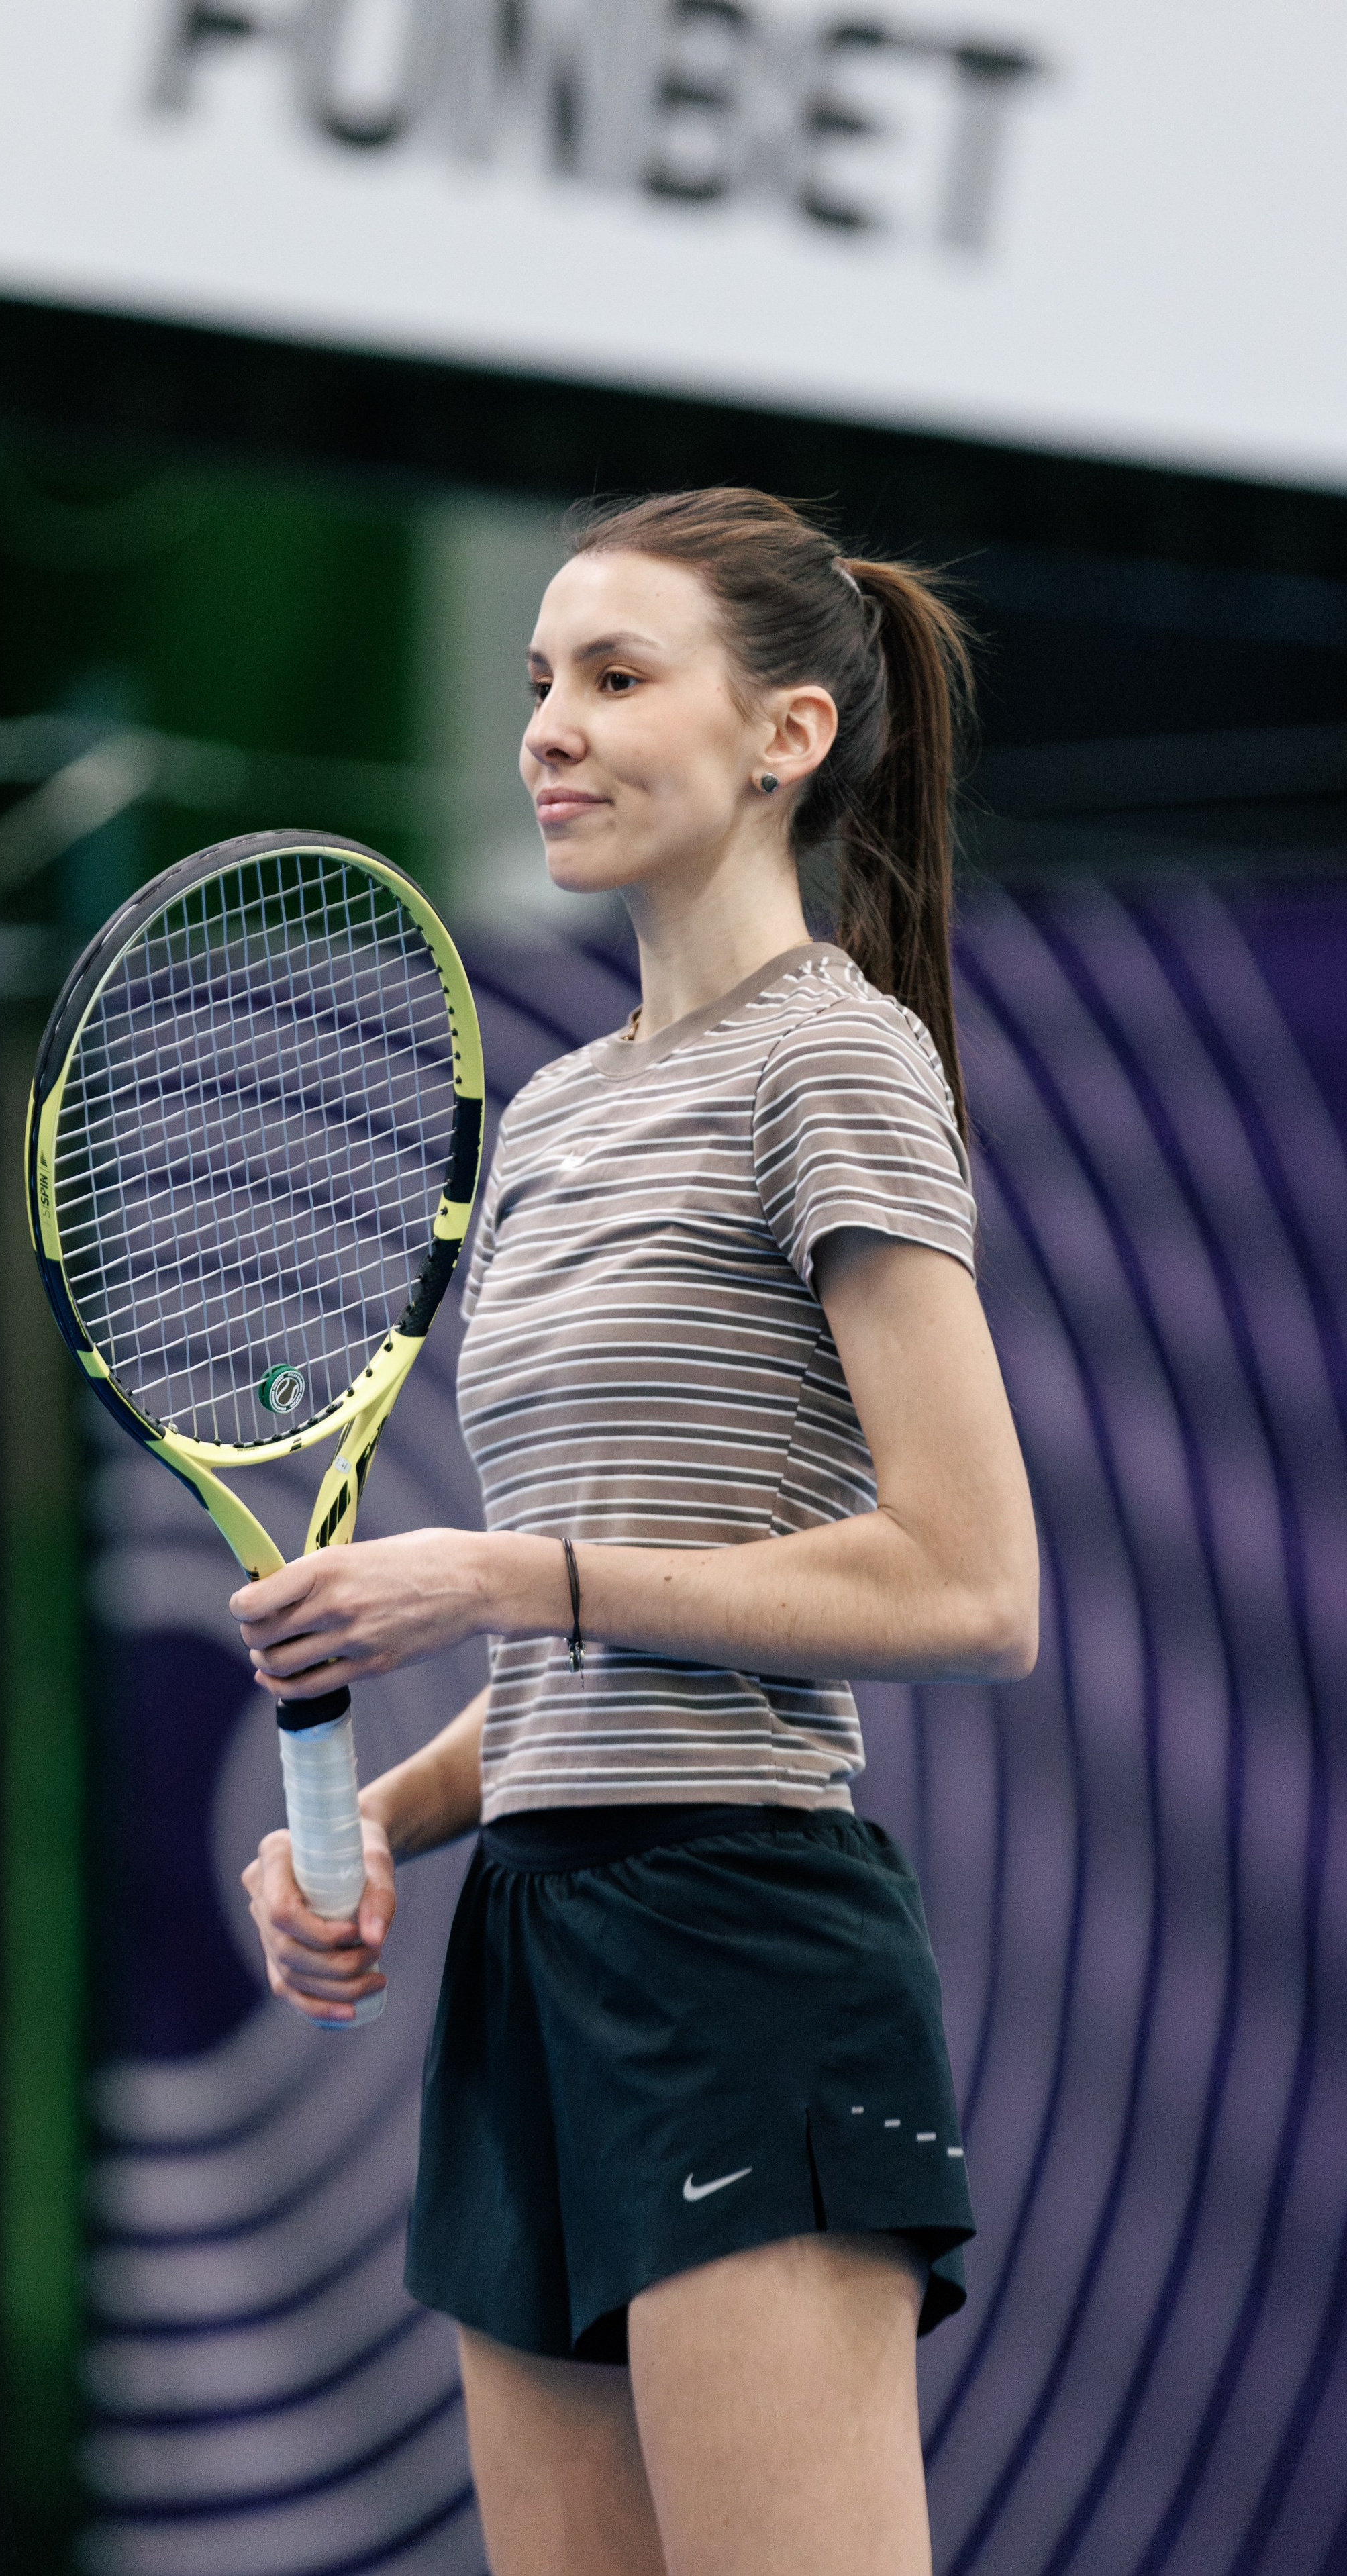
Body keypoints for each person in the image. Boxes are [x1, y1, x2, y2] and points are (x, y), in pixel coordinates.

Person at [236, 487, 1039, 2576]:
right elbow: (592, 1654)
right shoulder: (559, 1116)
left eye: (614, 676)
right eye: (537, 685)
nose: (551, 729)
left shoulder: (837, 1061)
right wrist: (377, 1823)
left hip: (743, 1948)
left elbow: (974, 1583)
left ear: (786, 734)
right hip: (532, 1947)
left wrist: (501, 1577)